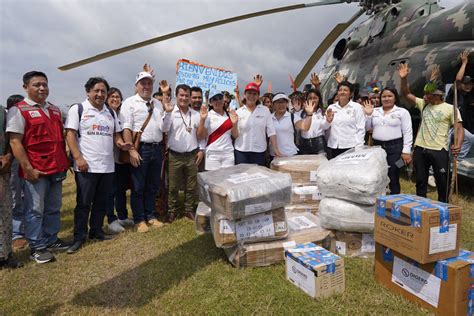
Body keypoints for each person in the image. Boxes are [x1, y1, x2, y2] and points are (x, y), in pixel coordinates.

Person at [7, 71, 70, 264]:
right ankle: (37, 246)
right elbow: (15, 142)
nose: (42, 88)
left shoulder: (55, 110)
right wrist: (27, 168)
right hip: (36, 170)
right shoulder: (19, 110)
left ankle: (51, 239)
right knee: (34, 209)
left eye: (45, 84)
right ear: (26, 87)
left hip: (56, 167)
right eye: (37, 85)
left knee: (53, 207)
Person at [65, 78, 132, 253]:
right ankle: (79, 236)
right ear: (88, 91)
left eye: (103, 91)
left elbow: (116, 135)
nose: (100, 94)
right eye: (97, 91)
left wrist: (121, 144)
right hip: (86, 165)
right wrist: (78, 158)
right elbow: (70, 134)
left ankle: (96, 231)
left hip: (107, 167)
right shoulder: (78, 109)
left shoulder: (110, 112)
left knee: (101, 202)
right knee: (84, 203)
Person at [399, 63, 464, 202]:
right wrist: (403, 79)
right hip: (420, 149)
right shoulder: (424, 104)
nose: (425, 96)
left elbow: (459, 128)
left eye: (429, 94)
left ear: (438, 95)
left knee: (442, 183)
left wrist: (458, 144)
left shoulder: (450, 109)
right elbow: (406, 93)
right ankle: (421, 208)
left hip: (439, 150)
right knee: (421, 182)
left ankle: (443, 208)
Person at [120, 70, 173, 233]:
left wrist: (168, 112)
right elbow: (126, 128)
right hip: (140, 148)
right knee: (138, 187)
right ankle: (139, 219)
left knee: (152, 186)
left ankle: (151, 216)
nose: (146, 86)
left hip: (156, 148)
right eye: (143, 83)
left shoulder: (157, 103)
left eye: (149, 83)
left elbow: (164, 128)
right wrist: (131, 151)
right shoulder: (129, 102)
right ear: (136, 85)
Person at [363, 87, 413, 194]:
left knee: (393, 173)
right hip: (377, 147)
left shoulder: (402, 112)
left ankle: (394, 200)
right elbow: (368, 128)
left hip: (396, 147)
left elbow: (407, 132)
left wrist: (406, 151)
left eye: (390, 96)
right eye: (384, 96)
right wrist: (368, 115)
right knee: (379, 174)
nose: (386, 99)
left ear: (395, 98)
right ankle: (381, 199)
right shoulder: (375, 111)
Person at [167, 84, 205, 222]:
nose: (184, 98)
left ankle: (189, 209)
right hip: (175, 155)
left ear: (189, 98)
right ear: (176, 96)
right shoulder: (170, 112)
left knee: (191, 185)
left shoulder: (195, 114)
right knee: (173, 186)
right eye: (181, 95)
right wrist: (166, 113)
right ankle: (172, 210)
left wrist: (201, 149)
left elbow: (200, 135)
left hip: (191, 155)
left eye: (186, 96)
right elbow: (164, 129)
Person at [104, 88, 135, 234]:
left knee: (121, 189)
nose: (115, 99)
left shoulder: (121, 114)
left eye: (118, 97)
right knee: (110, 191)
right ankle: (111, 219)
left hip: (121, 159)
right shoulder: (103, 113)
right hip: (107, 159)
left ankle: (122, 216)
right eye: (112, 96)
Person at [232, 82, 281, 165]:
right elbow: (235, 135)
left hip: (259, 152)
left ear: (258, 96)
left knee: (258, 176)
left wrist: (276, 150)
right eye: (249, 93)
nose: (251, 96)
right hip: (241, 152)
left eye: (254, 94)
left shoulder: (265, 110)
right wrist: (234, 124)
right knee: (242, 177)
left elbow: (271, 132)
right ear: (244, 95)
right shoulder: (238, 112)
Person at [0, 104, 23, 269]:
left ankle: (5, 255)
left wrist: (8, 156)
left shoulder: (2, 111)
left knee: (5, 211)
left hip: (3, 170)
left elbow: (10, 138)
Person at [322, 81, 366, 158]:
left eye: (345, 90)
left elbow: (361, 129)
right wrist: (328, 121)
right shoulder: (331, 107)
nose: (342, 92)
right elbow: (324, 127)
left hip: (350, 147)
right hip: (333, 146)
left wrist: (359, 148)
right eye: (340, 90)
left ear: (351, 94)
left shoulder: (357, 107)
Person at [6, 94, 28, 250]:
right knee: (15, 197)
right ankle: (17, 234)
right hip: (12, 162)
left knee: (29, 195)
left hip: (28, 159)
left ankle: (28, 227)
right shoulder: (7, 118)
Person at [446, 49, 474, 168]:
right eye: (466, 83)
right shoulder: (455, 93)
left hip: (458, 127)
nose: (469, 86)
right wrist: (464, 63)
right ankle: (432, 173)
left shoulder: (468, 96)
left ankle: (459, 160)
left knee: (470, 138)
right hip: (447, 126)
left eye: (471, 84)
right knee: (442, 148)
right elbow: (457, 80)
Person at [197, 89, 236, 170]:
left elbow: (235, 135)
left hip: (228, 153)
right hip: (212, 154)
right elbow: (201, 136)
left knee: (227, 181)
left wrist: (235, 123)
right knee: (212, 181)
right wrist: (202, 120)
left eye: (220, 98)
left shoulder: (230, 115)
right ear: (210, 103)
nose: (218, 101)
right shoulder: (207, 115)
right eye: (214, 99)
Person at [270, 93, 315, 158]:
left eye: (283, 102)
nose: (281, 105)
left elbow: (305, 127)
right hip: (274, 155)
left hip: (290, 154)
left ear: (287, 104)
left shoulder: (292, 117)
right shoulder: (269, 118)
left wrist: (309, 114)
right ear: (273, 105)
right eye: (278, 102)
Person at [298, 89, 327, 155]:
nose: (312, 100)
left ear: (319, 99)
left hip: (319, 142)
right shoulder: (301, 113)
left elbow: (325, 127)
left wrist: (328, 121)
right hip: (305, 143)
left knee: (322, 163)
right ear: (306, 99)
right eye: (310, 98)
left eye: (315, 98)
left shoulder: (323, 112)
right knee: (307, 164)